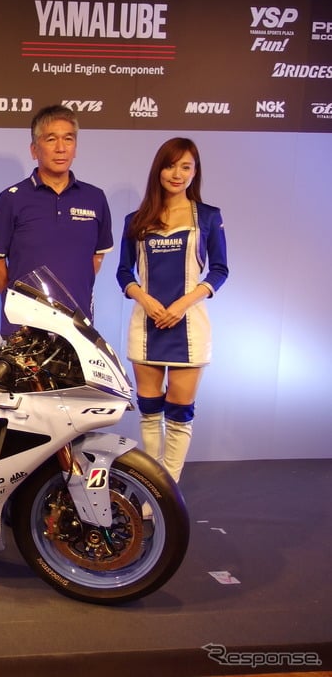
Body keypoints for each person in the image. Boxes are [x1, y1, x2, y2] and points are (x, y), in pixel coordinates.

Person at [116, 137, 228, 483]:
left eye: (185, 167)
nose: (176, 174)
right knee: (150, 413)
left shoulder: (208, 217)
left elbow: (220, 270)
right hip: (147, 325)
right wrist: (146, 300)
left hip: (188, 326)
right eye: (170, 166)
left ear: (195, 172)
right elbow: (123, 272)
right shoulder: (136, 220)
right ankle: (152, 487)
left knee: (179, 414)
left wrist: (181, 305)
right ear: (158, 170)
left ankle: (168, 490)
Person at [0, 104, 113, 335]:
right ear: (34, 149)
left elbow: (96, 258)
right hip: (25, 329)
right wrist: (19, 304)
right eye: (51, 139)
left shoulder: (95, 198)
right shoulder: (12, 198)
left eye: (68, 139)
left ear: (75, 148)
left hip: (78, 327)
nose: (61, 148)